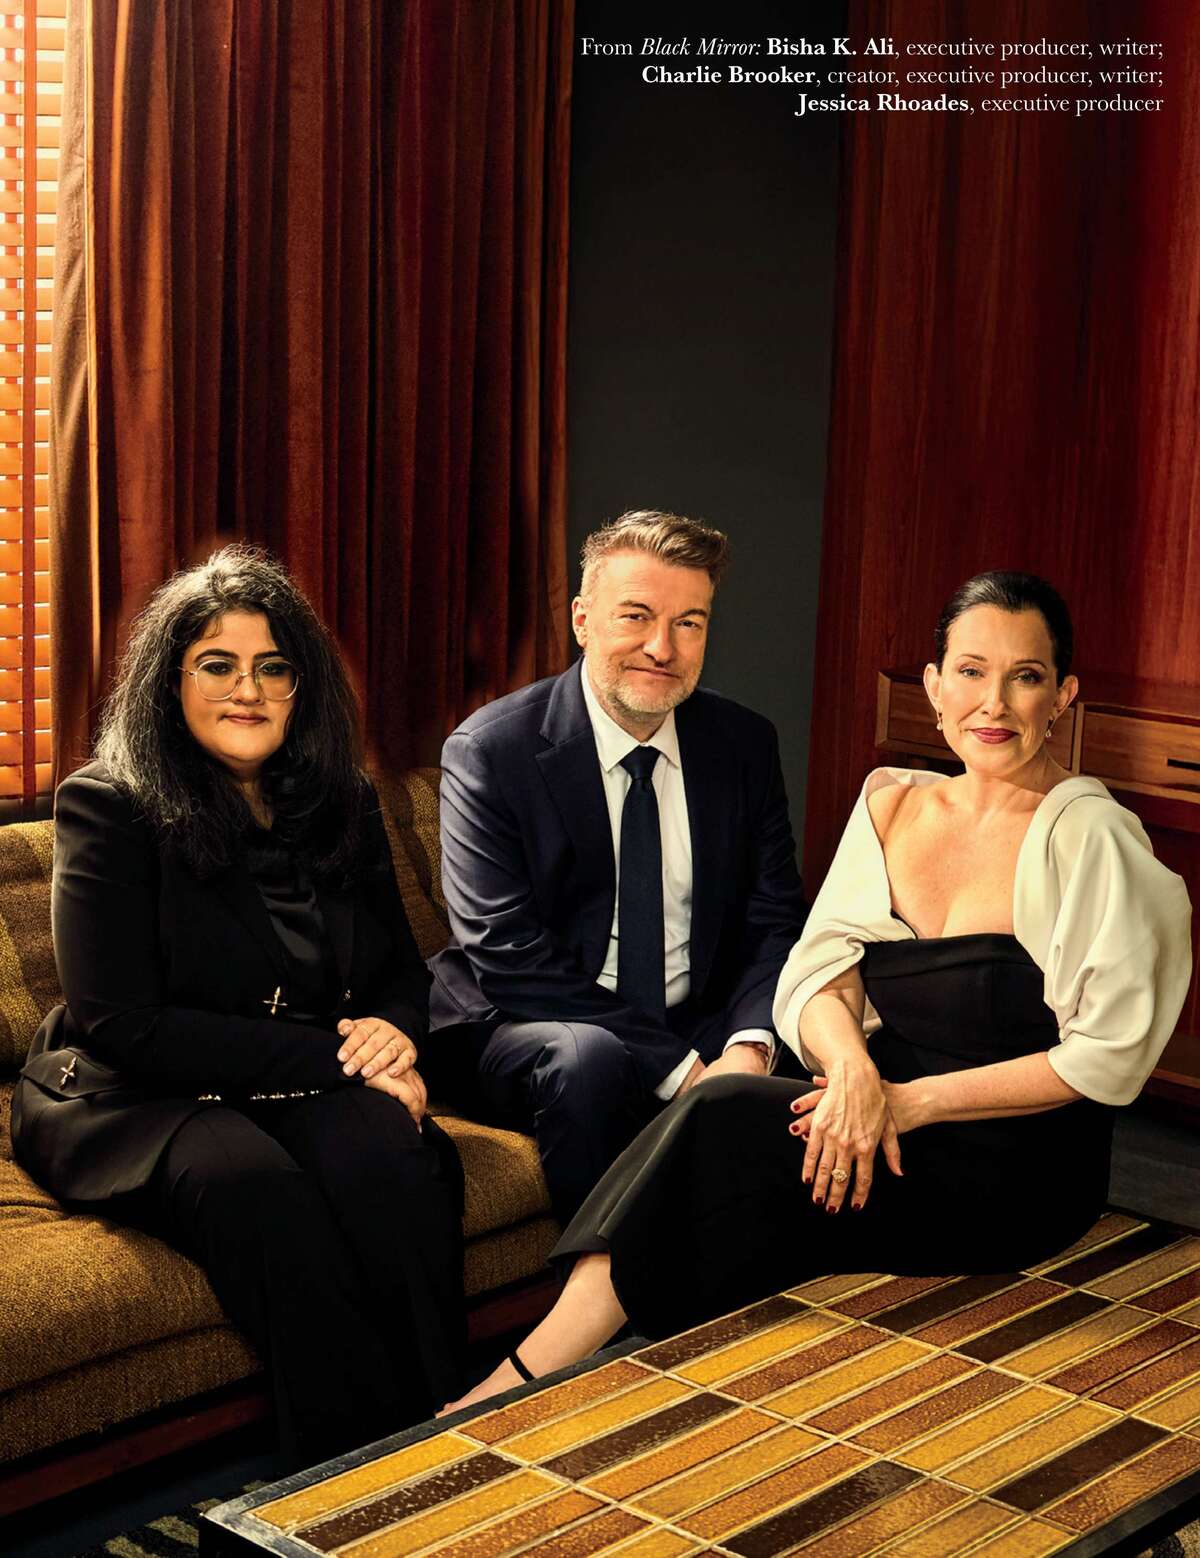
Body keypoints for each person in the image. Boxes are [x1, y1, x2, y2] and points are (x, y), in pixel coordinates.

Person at [443, 570, 1193, 1412]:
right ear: (934, 688)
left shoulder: (1095, 838)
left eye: (1025, 677)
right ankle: (629, 1376)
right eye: (971, 672)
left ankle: (518, 1384)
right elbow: (816, 972)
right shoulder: (891, 804)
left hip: (1015, 1161)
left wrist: (906, 1104)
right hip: (879, 1110)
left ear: (1063, 696)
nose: (994, 703)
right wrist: (854, 1075)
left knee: (725, 1119)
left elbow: (1105, 1060)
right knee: (738, 1159)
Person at [13, 546, 465, 1468]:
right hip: (133, 1090)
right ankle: (345, 1480)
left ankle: (450, 1430)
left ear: (302, 686)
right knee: (255, 1187)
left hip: (295, 1071)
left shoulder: (343, 799)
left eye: (272, 667)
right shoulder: (109, 806)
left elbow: (398, 970)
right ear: (171, 682)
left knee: (389, 1156)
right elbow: (122, 1022)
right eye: (217, 665)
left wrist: (394, 1035)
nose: (247, 690)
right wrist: (348, 1063)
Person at [425, 510, 809, 1226]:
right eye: (636, 616)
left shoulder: (743, 745)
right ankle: (609, 1285)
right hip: (524, 1021)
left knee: (835, 1034)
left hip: (693, 1017)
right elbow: (508, 954)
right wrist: (683, 1072)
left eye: (689, 623)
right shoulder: (491, 752)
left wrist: (748, 1049)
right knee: (590, 1058)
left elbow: (774, 919)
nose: (663, 647)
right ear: (582, 619)